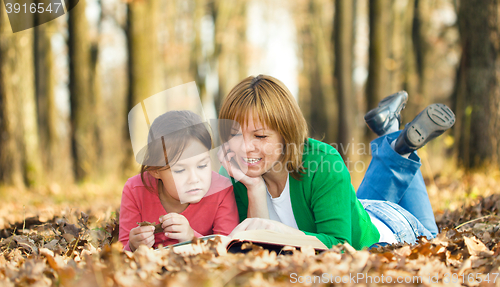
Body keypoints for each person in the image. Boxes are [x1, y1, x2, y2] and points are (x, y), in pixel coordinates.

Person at [218, 75, 455, 250]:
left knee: (433, 243)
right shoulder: (237, 172)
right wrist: (255, 188)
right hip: (356, 211)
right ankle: (392, 134)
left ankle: (398, 142)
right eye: (235, 134)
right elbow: (257, 249)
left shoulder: (321, 161)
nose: (245, 147)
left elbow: (340, 247)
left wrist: (281, 232)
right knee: (357, 205)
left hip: (391, 230)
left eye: (260, 136)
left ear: (286, 133)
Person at [119, 110, 239, 251]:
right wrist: (132, 246)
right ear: (155, 170)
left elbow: (229, 248)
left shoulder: (222, 189)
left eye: (202, 165)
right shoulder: (135, 190)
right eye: (180, 170)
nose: (194, 179)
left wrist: (191, 238)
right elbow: (121, 252)